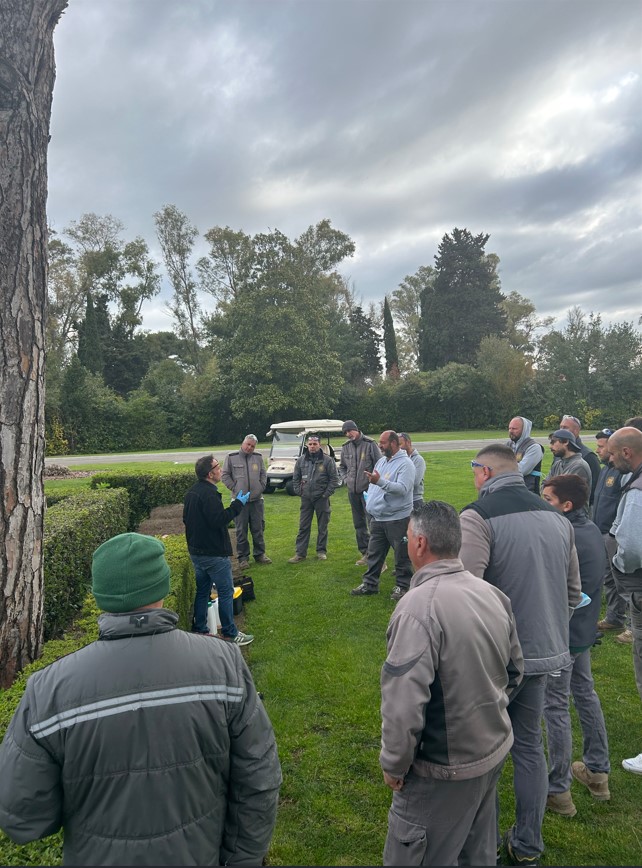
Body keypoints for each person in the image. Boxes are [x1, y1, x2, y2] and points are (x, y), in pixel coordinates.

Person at [0, 532, 282, 865]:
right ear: (163, 587)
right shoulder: (223, 664)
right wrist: (242, 859)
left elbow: (22, 818)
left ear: (101, 596)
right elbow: (259, 778)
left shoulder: (47, 689)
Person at [380, 501, 524, 866]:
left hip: (443, 769)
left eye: (408, 537)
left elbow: (403, 705)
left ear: (419, 544)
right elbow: (514, 671)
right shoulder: (492, 593)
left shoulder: (417, 608)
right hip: (491, 750)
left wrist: (394, 764)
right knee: (477, 853)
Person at [459, 444, 581, 865]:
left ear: (486, 472)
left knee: (485, 751)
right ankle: (528, 844)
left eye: (475, 470)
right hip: (546, 651)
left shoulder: (477, 516)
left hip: (497, 658)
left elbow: (464, 592)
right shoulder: (557, 517)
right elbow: (572, 594)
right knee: (529, 745)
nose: (474, 478)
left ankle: (484, 842)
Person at [541, 475, 610, 817]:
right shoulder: (590, 530)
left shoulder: (567, 535)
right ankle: (597, 772)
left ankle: (559, 790)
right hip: (581, 633)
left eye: (548, 500)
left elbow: (561, 591)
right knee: (584, 693)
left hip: (565, 635)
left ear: (567, 506)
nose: (543, 504)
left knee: (554, 706)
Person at [184, 453, 254, 646]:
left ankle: (200, 630)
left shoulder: (192, 492)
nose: (220, 470)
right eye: (217, 467)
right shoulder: (209, 494)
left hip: (196, 553)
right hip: (213, 554)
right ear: (209, 473)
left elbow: (187, 520)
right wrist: (238, 505)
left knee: (202, 591)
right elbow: (218, 520)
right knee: (225, 592)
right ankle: (231, 633)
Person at [606, 426, 642, 775]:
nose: (611, 459)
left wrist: (618, 563)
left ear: (627, 453)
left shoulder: (636, 490)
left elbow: (631, 547)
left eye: (614, 454)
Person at [350, 431, 415, 602]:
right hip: (378, 518)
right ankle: (370, 585)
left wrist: (379, 482)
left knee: (401, 555)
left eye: (383, 442)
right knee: (374, 554)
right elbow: (375, 484)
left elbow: (403, 489)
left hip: (397, 519)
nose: (380, 445)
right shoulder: (381, 461)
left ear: (394, 443)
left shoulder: (406, 464)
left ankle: (402, 586)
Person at [592, 428, 627, 639]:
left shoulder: (623, 473)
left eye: (601, 446)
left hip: (614, 535)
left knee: (623, 580)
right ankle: (614, 618)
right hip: (600, 531)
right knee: (609, 579)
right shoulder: (605, 469)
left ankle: (633, 624)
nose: (598, 450)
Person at [222, 434, 272, 570]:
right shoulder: (231, 457)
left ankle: (260, 554)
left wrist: (261, 487)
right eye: (248, 444)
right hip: (239, 502)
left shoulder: (258, 457)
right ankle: (242, 558)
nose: (249, 447)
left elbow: (263, 474)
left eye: (252, 446)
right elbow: (225, 475)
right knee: (241, 530)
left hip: (257, 501)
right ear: (243, 443)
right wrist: (234, 488)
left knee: (258, 528)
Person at [288, 433, 339, 562]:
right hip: (306, 499)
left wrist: (325, 494)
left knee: (322, 526)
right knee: (303, 526)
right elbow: (296, 478)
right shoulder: (301, 460)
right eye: (310, 444)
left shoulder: (328, 460)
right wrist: (299, 491)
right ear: (306, 445)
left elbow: (334, 480)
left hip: (322, 499)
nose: (312, 446)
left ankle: (321, 551)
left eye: (314, 444)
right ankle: (300, 553)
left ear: (319, 445)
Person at [339, 420, 382, 564]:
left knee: (372, 522)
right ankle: (365, 553)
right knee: (358, 524)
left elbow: (381, 465)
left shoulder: (370, 444)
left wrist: (374, 483)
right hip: (353, 491)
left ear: (355, 429)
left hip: (369, 491)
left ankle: (376, 554)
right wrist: (347, 480)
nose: (348, 434)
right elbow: (342, 467)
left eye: (349, 431)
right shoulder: (345, 447)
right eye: (345, 433)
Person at [559, 414, 602, 505]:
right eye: (560, 427)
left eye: (565, 427)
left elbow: (595, 486)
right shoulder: (559, 454)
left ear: (576, 431)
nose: (561, 430)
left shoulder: (588, 456)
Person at [544, 429, 592, 498]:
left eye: (553, 442)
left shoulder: (579, 466)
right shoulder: (557, 464)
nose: (550, 447)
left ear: (566, 442)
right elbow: (544, 485)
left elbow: (565, 493)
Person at [506, 416, 545, 494]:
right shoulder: (508, 445)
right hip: (510, 490)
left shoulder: (534, 447)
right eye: (510, 428)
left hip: (528, 492)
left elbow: (521, 470)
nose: (511, 431)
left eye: (514, 429)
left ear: (524, 430)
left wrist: (501, 466)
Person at [398, 432, 426, 507]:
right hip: (401, 500)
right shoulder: (398, 459)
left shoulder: (418, 460)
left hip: (415, 500)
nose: (399, 448)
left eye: (400, 444)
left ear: (409, 443)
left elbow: (415, 482)